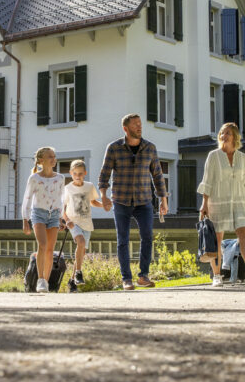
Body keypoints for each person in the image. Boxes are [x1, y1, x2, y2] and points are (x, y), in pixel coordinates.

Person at [99, 113, 168, 291]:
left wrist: (163, 199)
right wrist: (104, 196)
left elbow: (158, 175)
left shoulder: (150, 148)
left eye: (140, 124)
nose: (139, 127)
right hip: (121, 200)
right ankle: (126, 279)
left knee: (147, 236)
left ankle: (143, 276)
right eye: (135, 124)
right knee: (123, 239)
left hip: (144, 201)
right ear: (126, 128)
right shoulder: (114, 148)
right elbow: (104, 174)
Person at [198, 122, 245, 287]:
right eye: (221, 133)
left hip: (239, 200)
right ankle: (217, 276)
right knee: (217, 237)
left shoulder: (243, 158)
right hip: (217, 200)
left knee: (243, 232)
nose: (223, 135)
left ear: (235, 136)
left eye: (227, 133)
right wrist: (204, 204)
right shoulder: (213, 156)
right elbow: (207, 181)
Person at [22, 147, 66, 293]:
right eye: (50, 157)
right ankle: (40, 279)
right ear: (41, 160)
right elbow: (27, 199)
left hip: (54, 214)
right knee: (42, 244)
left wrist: (61, 217)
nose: (53, 159)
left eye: (54, 156)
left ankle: (45, 282)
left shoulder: (60, 178)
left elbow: (61, 198)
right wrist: (25, 219)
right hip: (38, 214)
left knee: (50, 249)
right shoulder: (34, 178)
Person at [61, 160, 103, 286]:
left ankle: (72, 281)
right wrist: (67, 221)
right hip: (74, 222)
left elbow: (93, 202)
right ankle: (79, 272)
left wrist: (105, 205)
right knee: (81, 242)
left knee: (81, 252)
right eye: (75, 173)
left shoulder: (89, 186)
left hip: (87, 223)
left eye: (80, 173)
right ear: (71, 173)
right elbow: (62, 208)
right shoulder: (67, 188)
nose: (77, 176)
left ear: (85, 173)